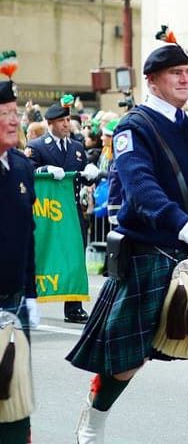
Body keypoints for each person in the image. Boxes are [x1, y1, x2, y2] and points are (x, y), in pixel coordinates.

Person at [65, 42, 188, 443]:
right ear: (152, 81)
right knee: (129, 359)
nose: (185, 79)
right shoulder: (133, 127)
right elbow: (141, 187)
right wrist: (181, 222)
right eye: (175, 73)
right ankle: (94, 421)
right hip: (151, 249)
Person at [25, 100, 100, 324]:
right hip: (47, 212)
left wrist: (90, 173)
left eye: (68, 120)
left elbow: (83, 172)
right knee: (41, 254)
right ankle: (28, 301)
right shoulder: (38, 145)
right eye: (62, 121)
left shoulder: (77, 147)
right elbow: (27, 169)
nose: (67, 124)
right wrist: (44, 170)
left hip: (72, 210)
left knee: (75, 255)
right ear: (50, 123)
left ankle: (74, 307)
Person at [0, 79, 40, 444]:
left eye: (15, 113)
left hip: (13, 299)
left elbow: (27, 235)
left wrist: (31, 292)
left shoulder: (20, 167)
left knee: (14, 390)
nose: (14, 121)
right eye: (4, 114)